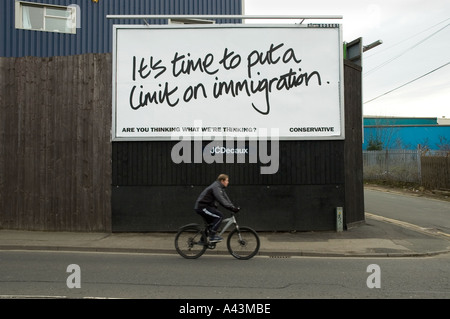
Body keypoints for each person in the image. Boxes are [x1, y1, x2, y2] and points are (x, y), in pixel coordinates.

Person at [194, 174, 240, 242]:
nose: (228, 182)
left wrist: (233, 207)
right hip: (202, 207)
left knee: (211, 225)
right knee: (219, 216)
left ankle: (202, 240)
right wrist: (231, 208)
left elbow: (226, 199)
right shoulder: (216, 187)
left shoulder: (220, 188)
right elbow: (221, 200)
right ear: (222, 181)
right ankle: (212, 236)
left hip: (207, 207)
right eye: (227, 180)